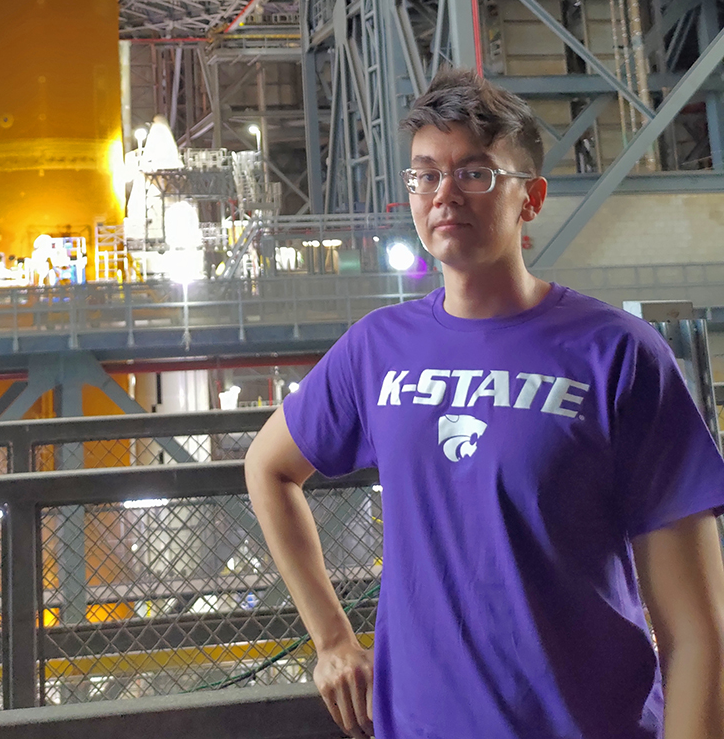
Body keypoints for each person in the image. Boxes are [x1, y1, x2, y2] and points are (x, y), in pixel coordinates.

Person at [245, 68, 724, 739]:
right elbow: (268, 466)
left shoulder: (619, 356)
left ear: (530, 198)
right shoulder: (378, 349)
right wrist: (331, 640)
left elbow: (696, 632)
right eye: (425, 175)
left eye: (474, 173)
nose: (444, 194)